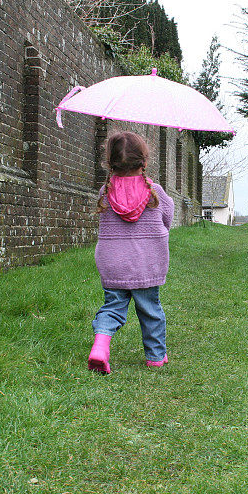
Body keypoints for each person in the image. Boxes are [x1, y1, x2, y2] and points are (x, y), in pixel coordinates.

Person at [88, 131, 174, 374]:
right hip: (146, 262)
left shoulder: (105, 191)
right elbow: (168, 218)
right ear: (144, 162)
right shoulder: (154, 191)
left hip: (113, 262)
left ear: (110, 163)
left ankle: (100, 347)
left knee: (112, 307)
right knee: (150, 309)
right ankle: (156, 357)